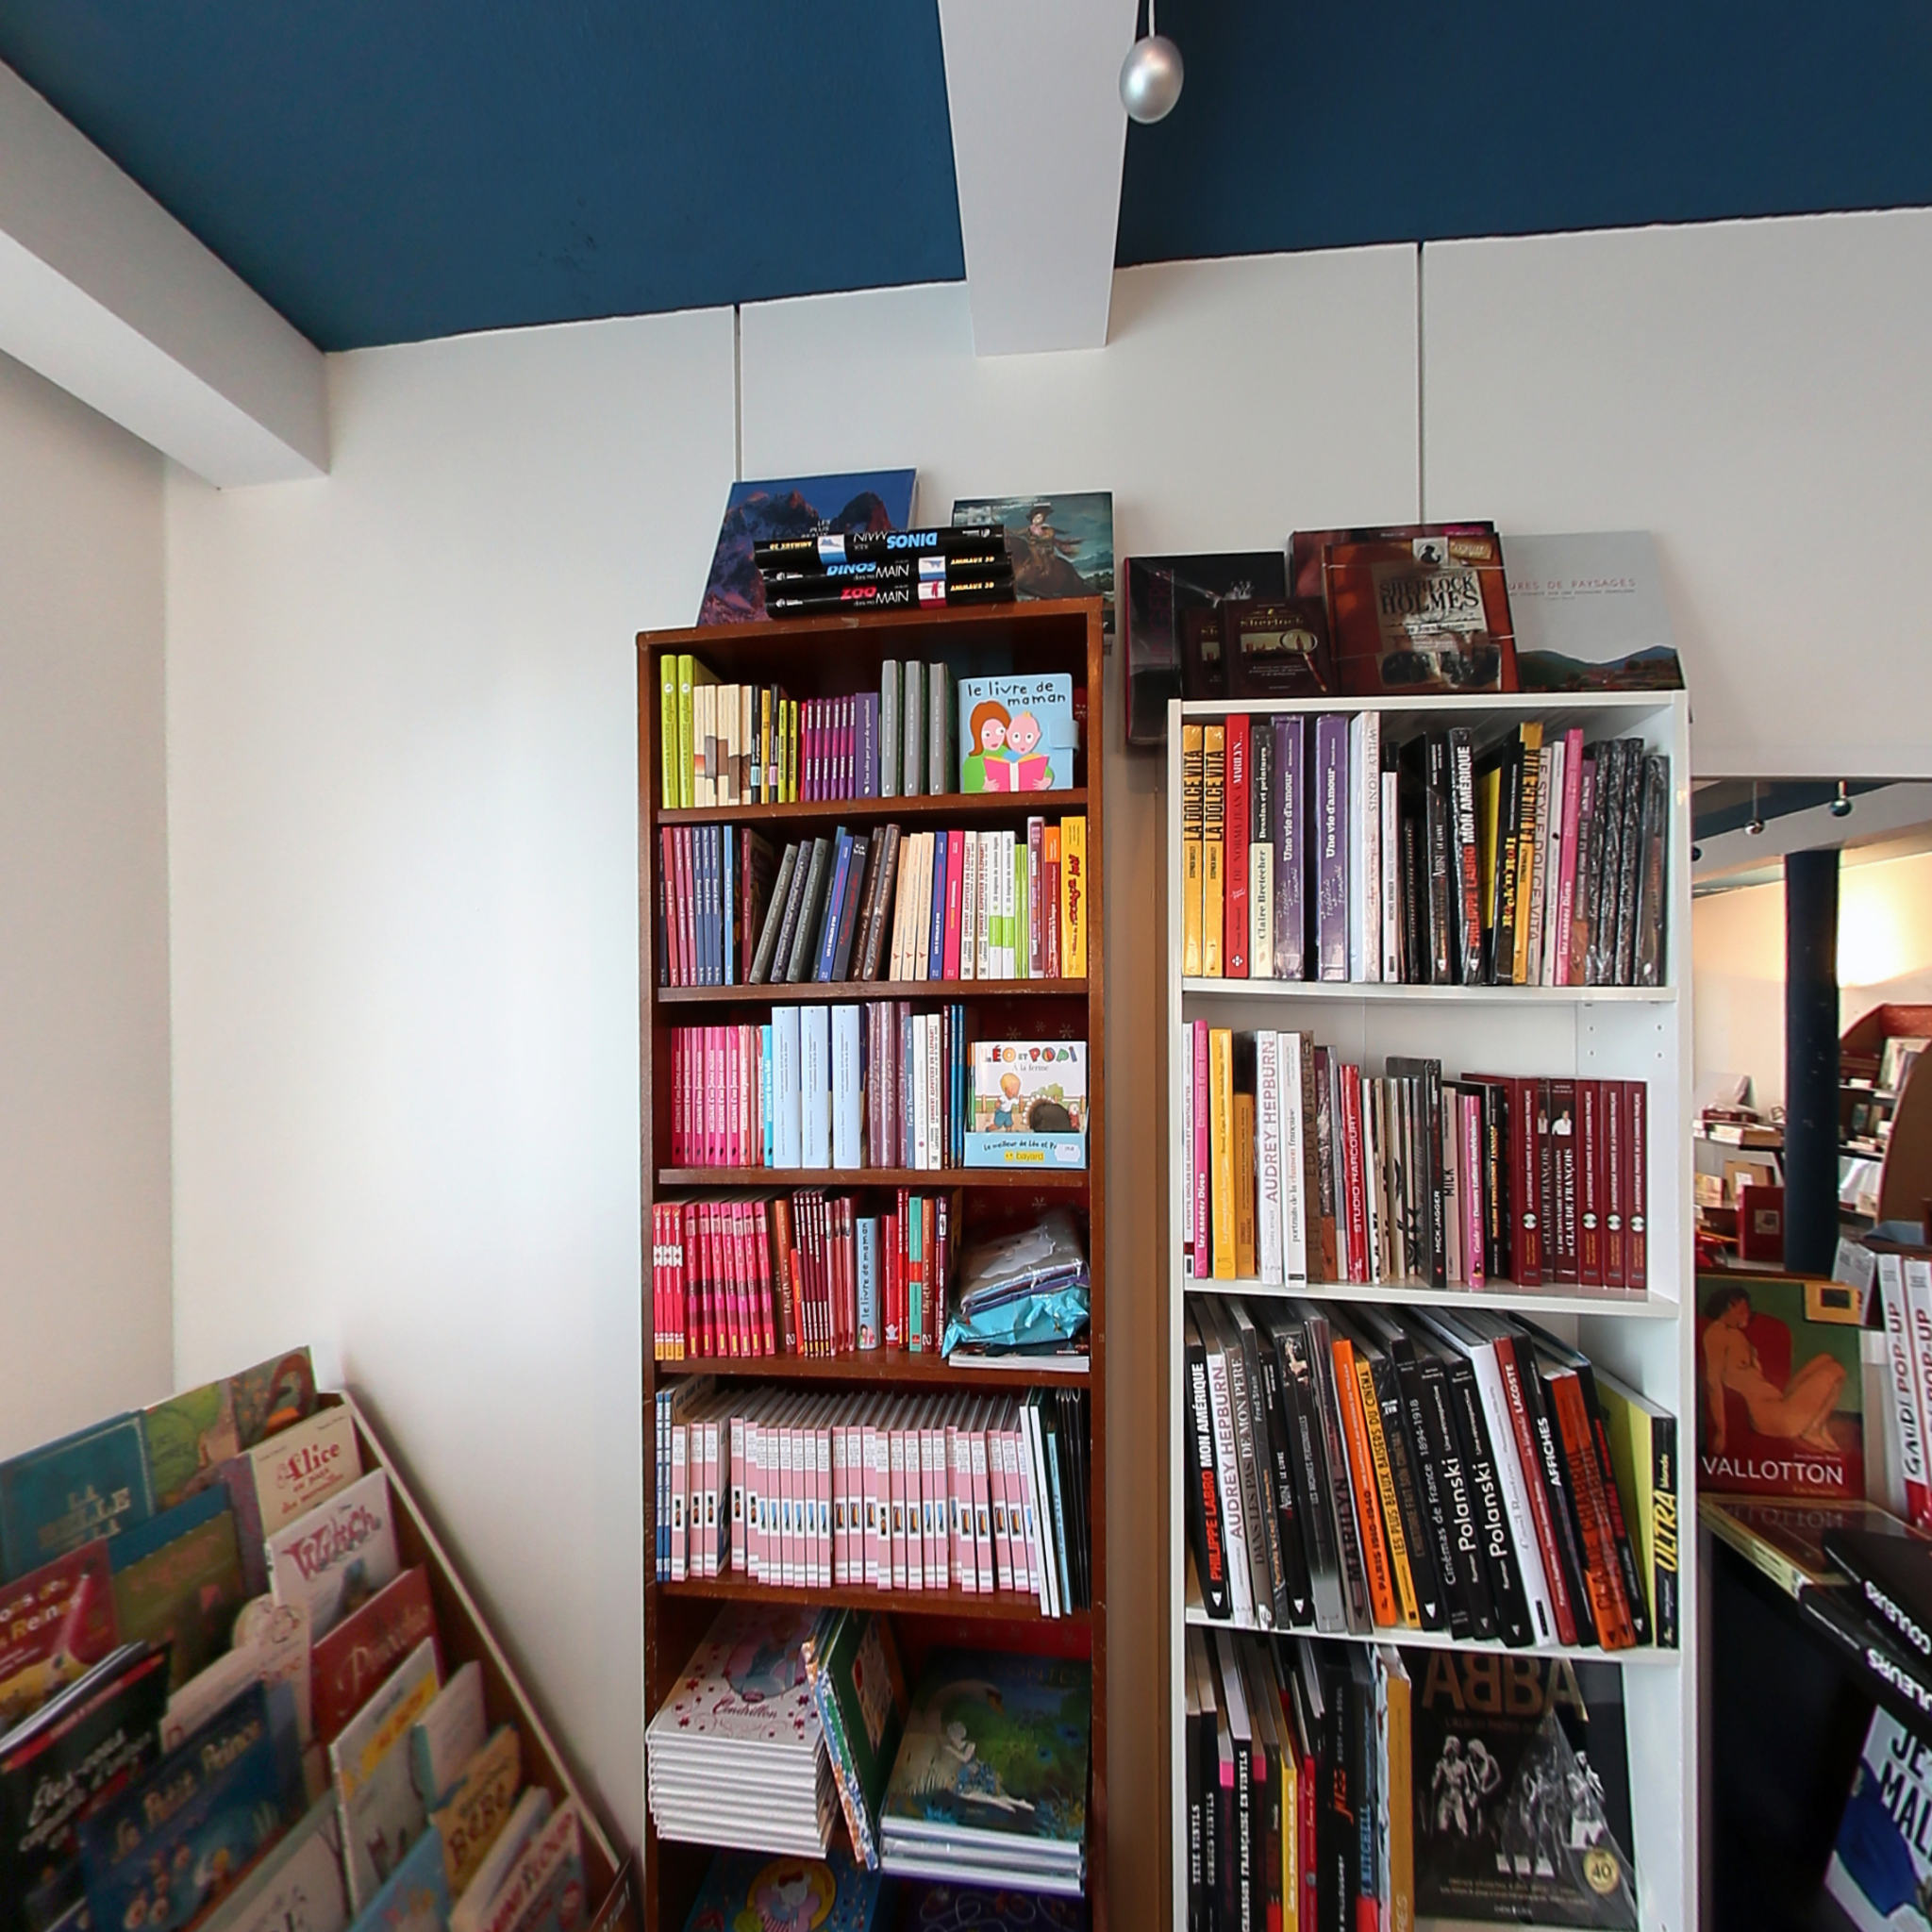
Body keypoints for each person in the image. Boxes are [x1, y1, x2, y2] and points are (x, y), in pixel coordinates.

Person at [1702, 1282, 1845, 1453]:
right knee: (1836, 1370)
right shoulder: (1716, 1334)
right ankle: (1813, 1429)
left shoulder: (1734, 1334)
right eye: (1743, 1309)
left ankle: (1815, 1427)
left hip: (1778, 1402)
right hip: (1771, 1416)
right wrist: (1720, 1431)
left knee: (1825, 1359)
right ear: (1731, 1305)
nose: (1748, 1313)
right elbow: (1713, 1382)